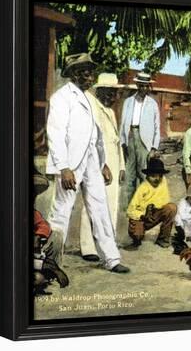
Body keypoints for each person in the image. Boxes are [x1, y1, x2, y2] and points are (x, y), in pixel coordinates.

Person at [45, 53, 129, 274]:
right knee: (61, 211)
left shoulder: (89, 98)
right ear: (74, 74)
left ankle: (111, 259)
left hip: (91, 160)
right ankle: (51, 261)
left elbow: (96, 134)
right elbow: (55, 134)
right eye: (85, 72)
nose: (90, 76)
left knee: (100, 208)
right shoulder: (61, 98)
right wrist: (64, 167)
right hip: (70, 164)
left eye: (91, 71)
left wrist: (102, 164)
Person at [79, 73, 126, 261]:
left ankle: (106, 243)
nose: (113, 97)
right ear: (100, 91)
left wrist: (121, 165)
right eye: (110, 93)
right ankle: (88, 247)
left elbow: (116, 142)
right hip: (97, 162)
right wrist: (102, 164)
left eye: (114, 93)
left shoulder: (111, 112)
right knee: (91, 202)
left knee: (110, 204)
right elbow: (91, 141)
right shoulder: (93, 109)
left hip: (113, 162)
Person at [119, 72, 161, 203]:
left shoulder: (152, 104)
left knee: (144, 174)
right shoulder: (128, 102)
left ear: (149, 87)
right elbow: (123, 123)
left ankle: (144, 204)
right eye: (141, 85)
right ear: (137, 85)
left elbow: (157, 127)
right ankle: (129, 207)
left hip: (145, 141)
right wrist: (123, 142)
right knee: (129, 175)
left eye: (146, 86)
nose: (143, 89)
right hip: (131, 136)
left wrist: (154, 148)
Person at [126, 158, 177, 250]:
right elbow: (130, 210)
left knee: (171, 208)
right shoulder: (143, 188)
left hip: (154, 213)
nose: (157, 179)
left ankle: (163, 239)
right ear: (147, 175)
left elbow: (165, 201)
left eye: (160, 176)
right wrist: (143, 215)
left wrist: (153, 207)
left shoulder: (163, 181)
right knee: (137, 235)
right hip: (141, 217)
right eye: (153, 176)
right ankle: (136, 240)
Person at [33, 173, 69, 294]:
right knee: (37, 278)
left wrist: (38, 235)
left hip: (37, 255)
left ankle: (50, 274)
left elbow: (44, 225)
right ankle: (50, 270)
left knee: (57, 235)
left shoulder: (33, 213)